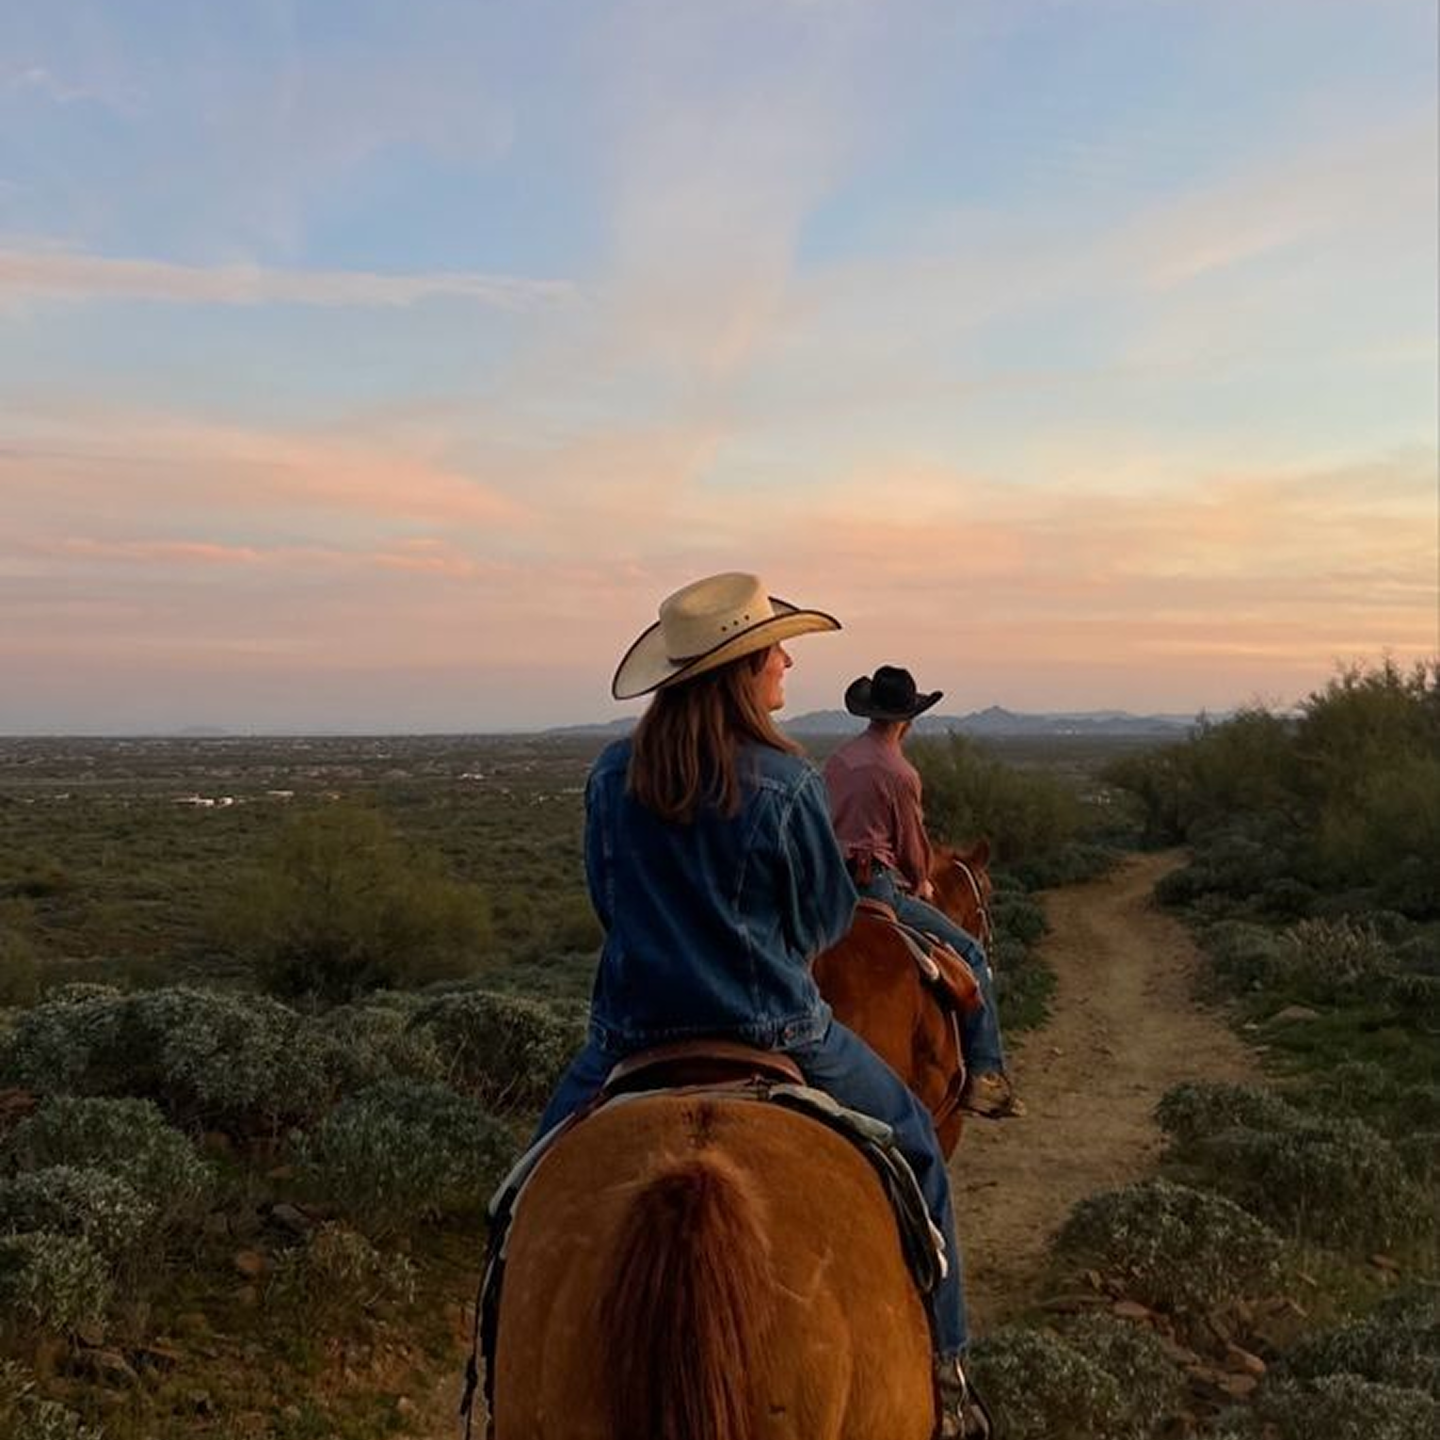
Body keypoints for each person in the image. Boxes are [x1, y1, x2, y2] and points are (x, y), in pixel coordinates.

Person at [537, 572, 990, 1440]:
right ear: (740, 671)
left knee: (521, 1200)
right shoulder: (784, 782)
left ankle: (487, 1369)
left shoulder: (608, 776)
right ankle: (951, 1372)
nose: (786, 659)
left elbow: (608, 901)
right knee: (920, 1152)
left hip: (629, 1035)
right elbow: (824, 921)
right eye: (774, 648)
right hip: (779, 1031)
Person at [823, 665, 1024, 1120]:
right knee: (970, 954)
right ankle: (985, 1075)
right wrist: (921, 881)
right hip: (874, 887)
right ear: (907, 720)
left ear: (869, 714)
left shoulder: (838, 760)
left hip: (826, 889)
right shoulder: (900, 773)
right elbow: (913, 850)